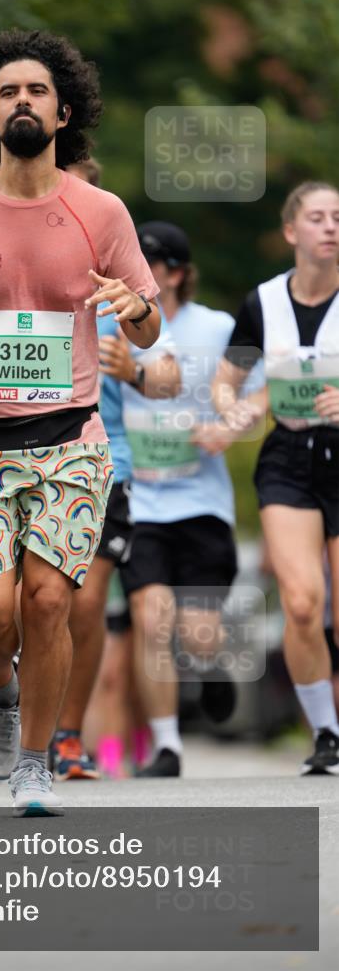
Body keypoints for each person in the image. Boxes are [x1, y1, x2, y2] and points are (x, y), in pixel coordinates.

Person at [0, 29, 161, 816]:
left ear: (64, 112)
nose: (22, 101)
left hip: (70, 442)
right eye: (8, 92)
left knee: (50, 601)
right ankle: (3, 689)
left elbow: (148, 328)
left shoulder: (101, 212)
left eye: (37, 91)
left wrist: (136, 309)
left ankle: (33, 763)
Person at [49, 158, 180, 781]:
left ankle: (67, 737)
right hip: (18, 462)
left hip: (105, 465)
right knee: (20, 608)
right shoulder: (9, 269)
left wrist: (133, 371)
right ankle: (18, 709)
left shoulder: (118, 288)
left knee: (86, 602)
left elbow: (170, 378)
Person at [119, 221, 262, 777]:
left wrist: (230, 429)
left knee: (196, 634)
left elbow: (259, 394)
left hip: (202, 502)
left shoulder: (220, 326)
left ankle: (211, 664)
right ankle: (167, 745)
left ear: (175, 272)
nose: (137, 273)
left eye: (148, 263)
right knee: (150, 618)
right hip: (144, 503)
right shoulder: (114, 326)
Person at [213, 181, 339, 776]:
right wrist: (232, 409)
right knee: (302, 601)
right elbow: (226, 381)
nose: (331, 227)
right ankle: (324, 733)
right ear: (292, 232)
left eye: (338, 217)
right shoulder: (263, 303)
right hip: (288, 458)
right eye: (318, 217)